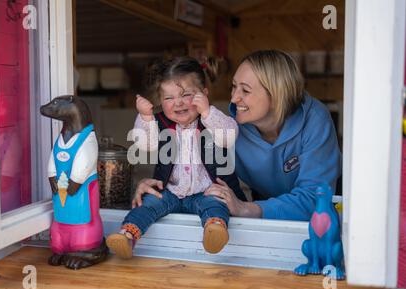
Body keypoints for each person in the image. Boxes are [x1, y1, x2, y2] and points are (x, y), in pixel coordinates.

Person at [132, 50, 342, 222]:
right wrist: (159, 187)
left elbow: (316, 198)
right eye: (234, 87)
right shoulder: (225, 128)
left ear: (277, 94)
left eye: (245, 90)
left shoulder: (314, 119)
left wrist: (248, 209)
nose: (233, 98)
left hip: (321, 223)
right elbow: (194, 174)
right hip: (264, 216)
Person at [106, 56, 246, 259]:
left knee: (216, 204)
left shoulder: (212, 119)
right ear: (160, 102)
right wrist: (145, 117)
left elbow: (228, 137)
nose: (178, 103)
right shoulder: (160, 122)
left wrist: (207, 111)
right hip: (170, 190)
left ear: (204, 95)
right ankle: (127, 236)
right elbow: (146, 144)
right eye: (169, 98)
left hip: (206, 191)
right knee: (149, 204)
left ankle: (215, 231)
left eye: (187, 95)